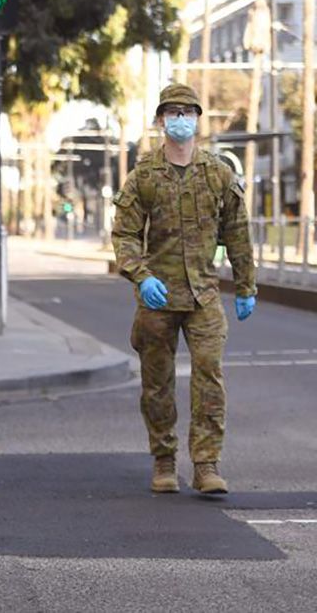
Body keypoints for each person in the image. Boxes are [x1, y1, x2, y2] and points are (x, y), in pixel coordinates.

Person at [112, 83, 256, 495]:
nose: (180, 119)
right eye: (172, 112)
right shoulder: (144, 176)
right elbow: (123, 234)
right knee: (156, 384)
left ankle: (207, 464)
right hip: (157, 298)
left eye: (187, 112)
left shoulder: (217, 173)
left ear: (197, 119)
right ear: (160, 120)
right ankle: (164, 460)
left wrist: (246, 285)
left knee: (209, 377)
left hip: (204, 296)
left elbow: (238, 232)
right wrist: (141, 275)